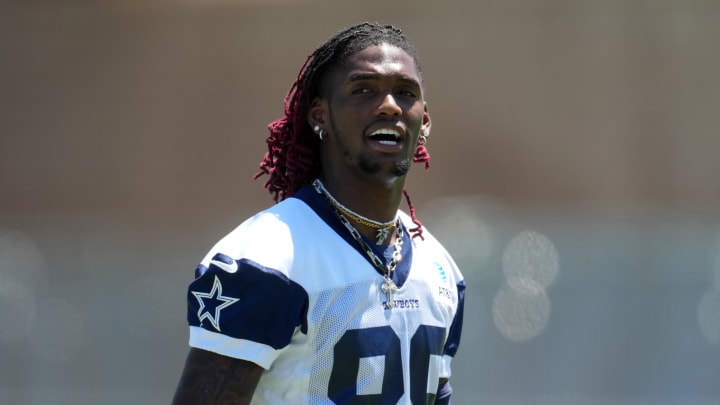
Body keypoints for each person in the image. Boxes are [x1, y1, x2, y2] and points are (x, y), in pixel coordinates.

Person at [172, 22, 465, 405]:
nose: (390, 105)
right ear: (319, 115)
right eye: (363, 90)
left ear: (424, 120)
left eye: (405, 93)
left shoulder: (440, 268)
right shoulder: (267, 259)